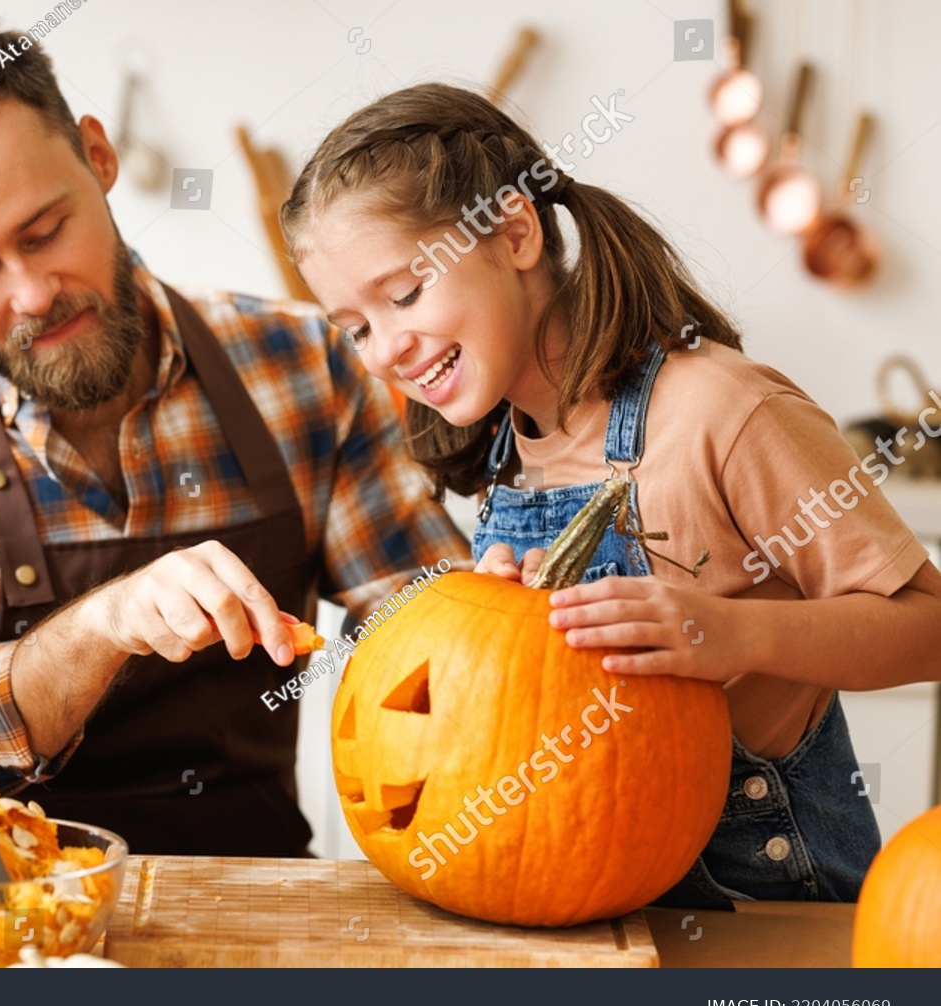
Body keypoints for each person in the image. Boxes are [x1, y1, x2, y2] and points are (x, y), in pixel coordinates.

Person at [0, 17, 467, 856]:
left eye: (46, 231)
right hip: (6, 930)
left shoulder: (306, 367)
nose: (33, 294)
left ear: (98, 155)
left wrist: (493, 610)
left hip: (259, 903)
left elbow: (430, 634)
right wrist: (101, 627)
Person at [282, 83, 941, 905]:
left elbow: (927, 625)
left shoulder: (721, 411)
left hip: (766, 913)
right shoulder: (503, 444)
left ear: (516, 233)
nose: (386, 349)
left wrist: (734, 632)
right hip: (596, 904)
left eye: (406, 294)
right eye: (356, 328)